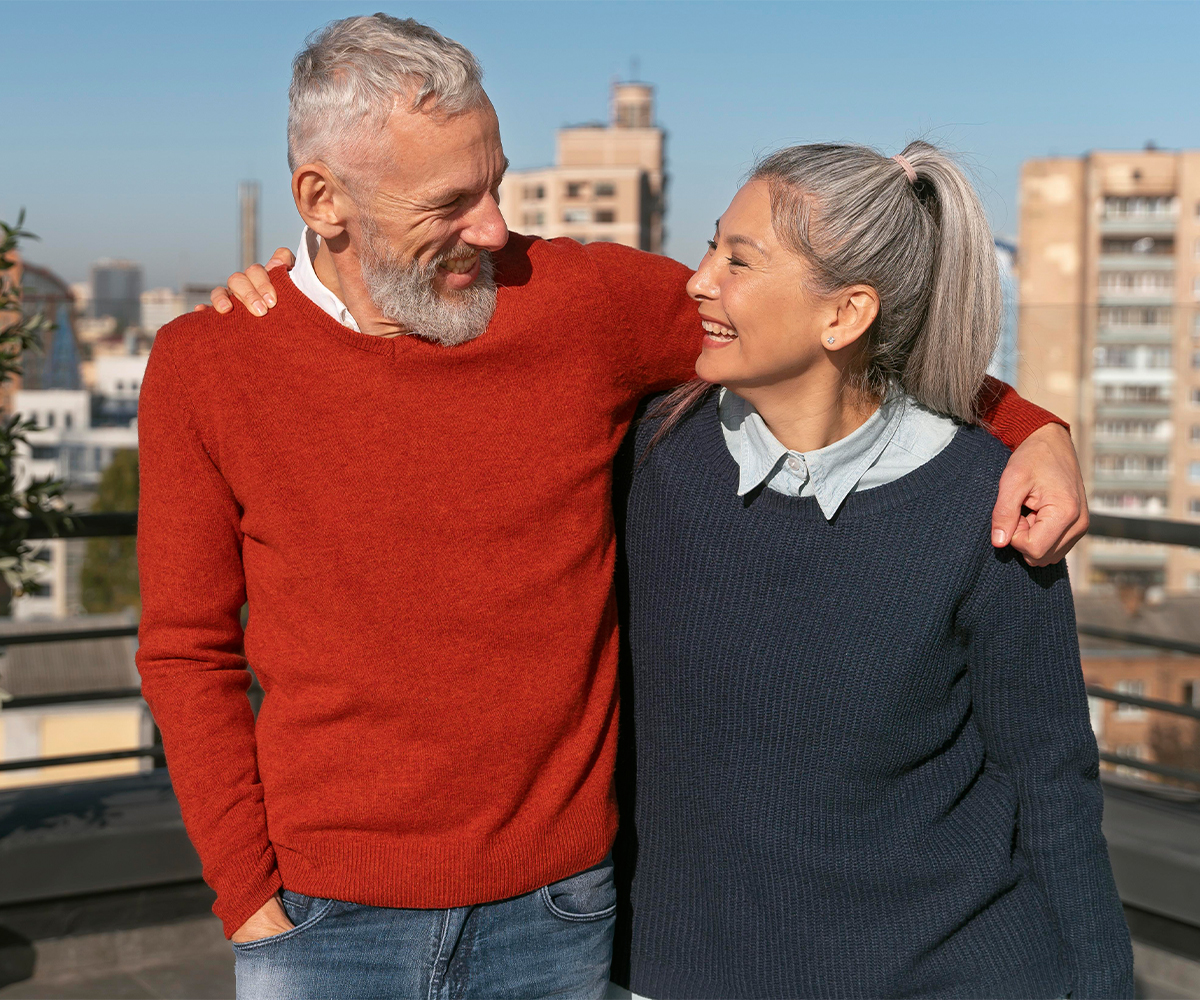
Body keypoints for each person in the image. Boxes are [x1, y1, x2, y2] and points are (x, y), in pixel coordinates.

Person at [144, 13, 1085, 999]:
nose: (495, 227)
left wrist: (1029, 423)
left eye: (497, 181)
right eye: (451, 201)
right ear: (321, 199)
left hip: (559, 915)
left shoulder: (579, 300)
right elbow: (184, 648)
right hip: (322, 923)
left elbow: (809, 330)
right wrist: (248, 897)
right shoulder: (207, 365)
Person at [620, 142, 1133, 999]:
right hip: (675, 972)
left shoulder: (991, 503)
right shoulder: (646, 461)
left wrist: (1105, 985)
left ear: (845, 313)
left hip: (953, 972)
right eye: (712, 246)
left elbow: (1049, 780)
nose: (698, 280)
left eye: (738, 260)